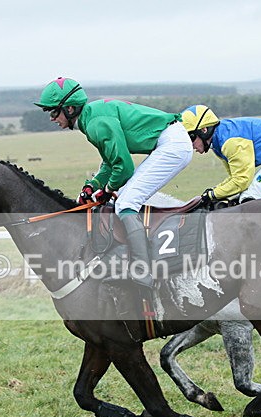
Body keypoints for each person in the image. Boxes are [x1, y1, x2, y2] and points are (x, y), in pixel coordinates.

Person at [35, 77, 192, 289]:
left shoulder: (95, 123)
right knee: (124, 198)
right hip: (170, 142)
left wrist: (107, 190)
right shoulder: (91, 117)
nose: (52, 118)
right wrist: (93, 185)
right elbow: (110, 164)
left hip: (172, 145)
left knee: (126, 202)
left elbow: (124, 167)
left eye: (54, 111)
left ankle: (142, 270)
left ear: (70, 109)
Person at [180, 104, 261, 205]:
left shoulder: (230, 142)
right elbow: (235, 178)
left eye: (190, 138)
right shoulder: (218, 143)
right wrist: (215, 192)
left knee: (249, 196)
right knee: (244, 196)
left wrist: (212, 195)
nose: (190, 146)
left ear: (204, 130)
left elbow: (241, 181)